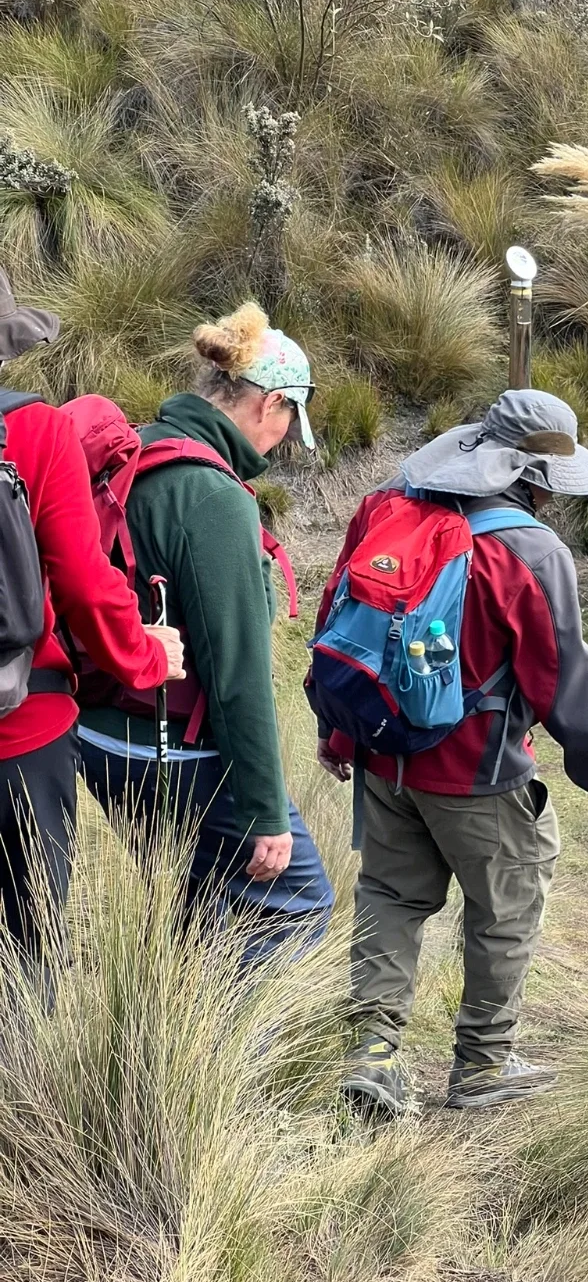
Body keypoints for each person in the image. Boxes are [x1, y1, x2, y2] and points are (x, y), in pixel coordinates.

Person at [316, 388, 588, 1114]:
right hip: (478, 773)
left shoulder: (389, 509)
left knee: (389, 897)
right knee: (507, 906)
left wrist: (341, 730)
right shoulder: (531, 551)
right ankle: (482, 1064)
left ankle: (374, 1055)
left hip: (386, 758)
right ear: (537, 480)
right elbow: (563, 681)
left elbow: (340, 621)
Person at [77, 302, 333, 960]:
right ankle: (227, 1054)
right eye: (286, 421)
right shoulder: (213, 499)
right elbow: (238, 675)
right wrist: (266, 812)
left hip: (99, 732)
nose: (280, 440)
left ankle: (165, 1040)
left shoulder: (141, 451)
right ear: (268, 403)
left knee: (195, 901)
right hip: (172, 751)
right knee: (299, 903)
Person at [0, 273, 185, 955]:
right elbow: (84, 583)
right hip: (23, 728)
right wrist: (147, 655)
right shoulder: (37, 431)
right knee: (31, 945)